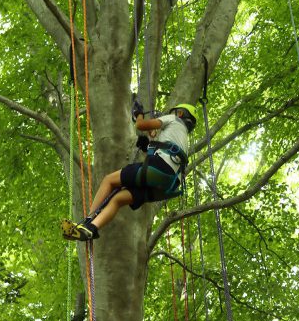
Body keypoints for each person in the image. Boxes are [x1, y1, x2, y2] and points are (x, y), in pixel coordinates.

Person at [61, 103, 197, 242]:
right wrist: (147, 146)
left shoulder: (173, 119)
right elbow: (163, 149)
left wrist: (138, 115)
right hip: (168, 185)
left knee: (109, 180)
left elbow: (141, 125)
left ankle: (87, 221)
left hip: (160, 168)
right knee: (118, 199)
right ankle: (91, 229)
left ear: (180, 113)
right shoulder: (181, 137)